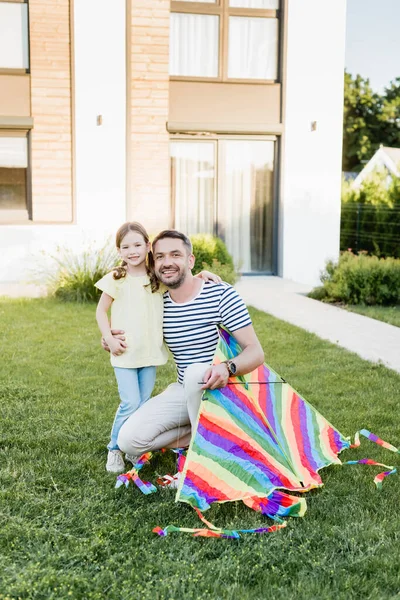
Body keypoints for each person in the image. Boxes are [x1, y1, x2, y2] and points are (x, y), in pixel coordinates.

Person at [104, 230, 264, 478]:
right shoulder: (158, 301)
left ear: (190, 260)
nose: (167, 262)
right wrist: (113, 339)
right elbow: (136, 331)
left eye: (175, 255)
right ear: (153, 264)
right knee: (129, 440)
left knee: (195, 372)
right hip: (184, 390)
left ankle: (206, 452)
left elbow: (256, 352)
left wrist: (227, 368)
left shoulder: (221, 294)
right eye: (159, 257)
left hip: (224, 388)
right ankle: (205, 434)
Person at [95, 222, 220, 473]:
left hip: (149, 355)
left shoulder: (155, 278)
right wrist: (107, 336)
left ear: (147, 246)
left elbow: (179, 280)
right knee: (130, 403)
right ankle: (114, 448)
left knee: (141, 403)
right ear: (119, 251)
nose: (132, 251)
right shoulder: (116, 278)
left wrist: (198, 276)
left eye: (137, 245)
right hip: (125, 353)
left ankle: (132, 446)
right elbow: (100, 310)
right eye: (125, 246)